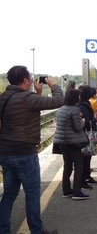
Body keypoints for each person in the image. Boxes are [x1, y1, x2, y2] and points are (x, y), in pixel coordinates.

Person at [0, 65, 63, 234]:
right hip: (24, 153)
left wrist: (38, 93)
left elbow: (29, 110)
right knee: (32, 193)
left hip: (5, 153)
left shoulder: (4, 97)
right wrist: (53, 84)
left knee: (9, 194)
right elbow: (58, 101)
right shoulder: (28, 97)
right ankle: (36, 230)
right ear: (26, 80)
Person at [54, 89, 90, 200]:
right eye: (78, 96)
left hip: (62, 142)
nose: (79, 98)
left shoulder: (60, 110)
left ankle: (66, 190)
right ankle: (77, 192)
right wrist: (83, 119)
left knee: (67, 166)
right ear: (75, 98)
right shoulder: (75, 110)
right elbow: (78, 127)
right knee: (79, 166)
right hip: (73, 142)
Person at [78, 85, 97, 188]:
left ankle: (87, 177)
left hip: (86, 134)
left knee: (87, 157)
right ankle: (84, 179)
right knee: (84, 158)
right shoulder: (83, 106)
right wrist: (95, 119)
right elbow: (86, 122)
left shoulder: (84, 105)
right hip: (85, 135)